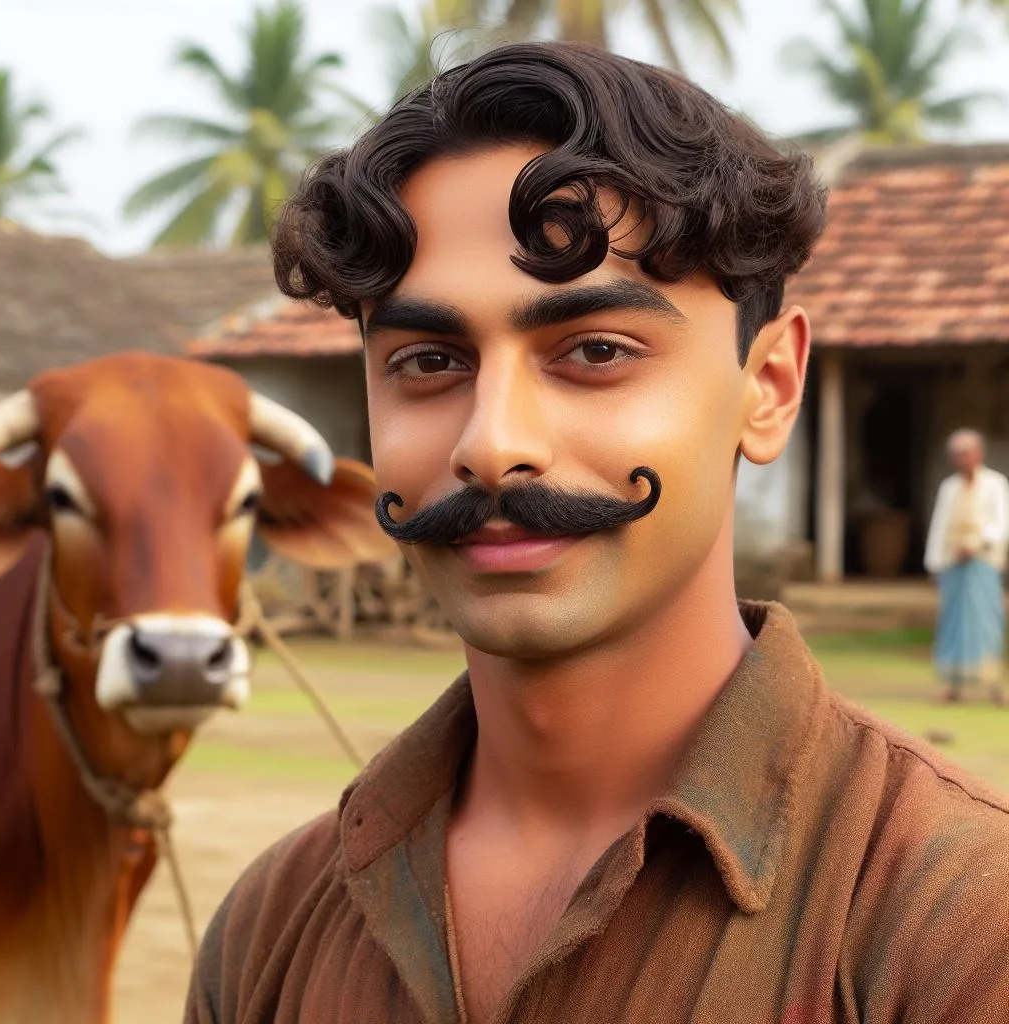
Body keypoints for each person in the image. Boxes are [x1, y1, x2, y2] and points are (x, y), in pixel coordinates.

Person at [185, 43, 1008, 1023]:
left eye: (594, 350)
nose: (491, 447)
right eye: (428, 361)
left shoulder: (954, 926)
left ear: (769, 388)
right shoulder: (269, 931)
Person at [924, 428, 1009, 703]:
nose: (962, 459)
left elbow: (1001, 522)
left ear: (978, 454)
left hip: (982, 562)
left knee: (986, 621)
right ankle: (953, 685)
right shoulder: (950, 488)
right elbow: (939, 525)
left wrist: (977, 544)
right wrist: (934, 562)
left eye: (966, 453)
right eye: (957, 454)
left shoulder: (995, 484)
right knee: (953, 622)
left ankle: (995, 685)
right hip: (953, 563)